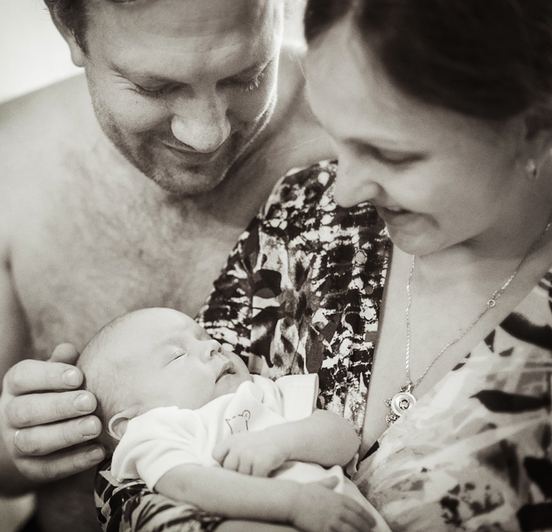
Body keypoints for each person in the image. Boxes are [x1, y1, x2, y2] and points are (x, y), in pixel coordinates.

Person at [95, 0, 552, 530]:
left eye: (392, 155)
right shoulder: (306, 210)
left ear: (535, 127)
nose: (346, 189)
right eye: (336, 136)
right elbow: (135, 470)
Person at [0, 0, 332, 530]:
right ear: (70, 29)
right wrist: (14, 438)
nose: (206, 134)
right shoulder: (5, 159)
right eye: (154, 87)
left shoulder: (366, 142)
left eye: (247, 76)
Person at [77, 307, 389, 532]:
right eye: (177, 355)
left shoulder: (262, 391)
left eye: (207, 337)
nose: (213, 346)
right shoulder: (157, 429)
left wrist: (282, 441)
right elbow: (188, 485)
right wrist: (294, 503)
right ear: (128, 426)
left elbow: (344, 439)